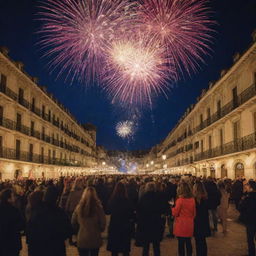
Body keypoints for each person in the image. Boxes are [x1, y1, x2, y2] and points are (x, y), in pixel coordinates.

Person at [26, 186, 72, 256]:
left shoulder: (36, 211)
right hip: (56, 249)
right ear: (57, 198)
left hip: (38, 249)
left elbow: (29, 231)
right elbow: (68, 231)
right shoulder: (60, 213)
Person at [72, 186, 106, 256]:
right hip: (95, 237)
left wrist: (78, 230)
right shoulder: (98, 208)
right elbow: (103, 223)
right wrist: (99, 230)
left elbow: (73, 221)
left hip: (82, 237)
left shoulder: (79, 207)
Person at [136, 182, 165, 256]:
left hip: (146, 225)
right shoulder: (158, 197)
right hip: (156, 224)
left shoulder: (143, 197)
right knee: (156, 246)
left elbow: (139, 211)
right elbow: (163, 210)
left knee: (145, 246)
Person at [107, 182, 134, 256]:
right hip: (125, 227)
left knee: (114, 250)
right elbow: (131, 214)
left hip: (115, 226)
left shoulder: (112, 200)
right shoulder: (127, 201)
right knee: (125, 250)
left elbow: (108, 211)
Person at [172, 182, 196, 256]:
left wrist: (172, 208)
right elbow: (194, 213)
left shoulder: (180, 200)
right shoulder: (192, 200)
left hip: (181, 224)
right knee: (188, 242)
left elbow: (175, 213)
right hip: (189, 224)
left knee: (181, 244)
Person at [0, 188, 25, 256]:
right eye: (13, 196)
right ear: (8, 198)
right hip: (12, 242)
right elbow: (21, 224)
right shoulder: (13, 210)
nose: (14, 197)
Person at [239, 180, 256, 256]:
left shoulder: (247, 197)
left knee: (250, 239)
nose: (246, 186)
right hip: (252, 220)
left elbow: (240, 207)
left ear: (251, 188)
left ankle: (251, 253)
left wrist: (243, 198)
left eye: (247, 185)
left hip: (250, 221)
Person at [193, 181, 211, 256]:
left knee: (198, 241)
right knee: (203, 241)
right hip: (204, 222)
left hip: (197, 222)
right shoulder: (206, 199)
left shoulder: (193, 200)